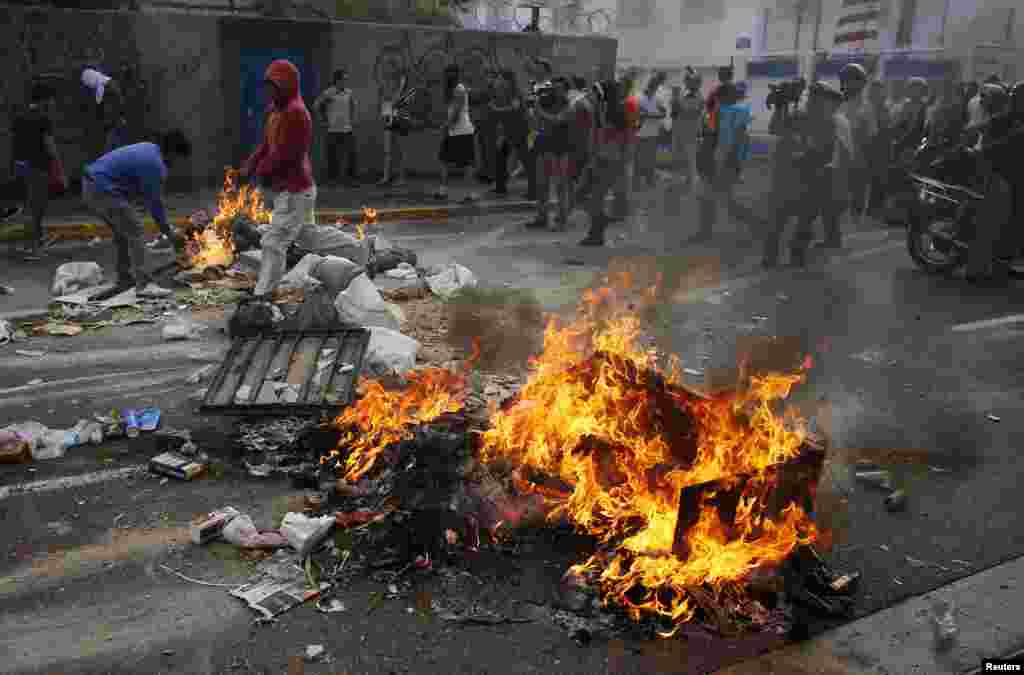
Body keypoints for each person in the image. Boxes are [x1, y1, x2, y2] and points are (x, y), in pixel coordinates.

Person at [81, 130, 191, 298]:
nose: (176, 166)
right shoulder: (155, 163)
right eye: (178, 160)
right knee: (135, 229)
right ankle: (144, 285)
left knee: (123, 233)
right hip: (102, 189)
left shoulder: (149, 148)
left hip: (91, 185)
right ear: (173, 153)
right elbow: (156, 204)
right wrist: (170, 234)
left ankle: (125, 279)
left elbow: (140, 190)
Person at [240, 59, 316, 300]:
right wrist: (248, 167)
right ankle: (359, 251)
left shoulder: (296, 114)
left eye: (274, 85)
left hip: (294, 190)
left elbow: (283, 156)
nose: (269, 91)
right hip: (293, 190)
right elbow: (266, 144)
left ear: (288, 85)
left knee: (273, 242)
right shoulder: (277, 109)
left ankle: (264, 295)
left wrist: (257, 176)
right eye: (268, 85)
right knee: (308, 237)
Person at [762, 83, 845, 268]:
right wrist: (780, 105)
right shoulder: (797, 115)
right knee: (777, 221)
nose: (813, 102)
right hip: (785, 179)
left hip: (809, 181)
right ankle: (770, 258)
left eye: (819, 99)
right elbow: (775, 128)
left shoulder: (829, 124)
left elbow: (820, 153)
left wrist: (801, 155)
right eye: (813, 97)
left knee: (803, 224)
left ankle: (796, 258)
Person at [579, 74, 640, 247]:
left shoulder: (618, 112)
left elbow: (627, 138)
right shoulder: (601, 111)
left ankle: (596, 233)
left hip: (611, 161)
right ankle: (600, 222)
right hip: (599, 159)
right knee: (582, 195)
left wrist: (623, 162)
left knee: (595, 198)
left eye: (596, 92)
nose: (593, 95)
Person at [692, 82, 752, 243]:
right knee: (710, 200)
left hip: (719, 163)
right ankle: (705, 233)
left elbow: (724, 142)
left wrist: (719, 165)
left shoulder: (723, 113)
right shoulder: (737, 113)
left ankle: (758, 225)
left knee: (724, 203)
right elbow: (740, 141)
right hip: (723, 162)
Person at [11, 81, 61, 261]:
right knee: (36, 208)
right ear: (44, 100)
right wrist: (59, 167)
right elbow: (50, 145)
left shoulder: (19, 116)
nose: (53, 103)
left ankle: (33, 243)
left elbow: (15, 143)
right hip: (38, 167)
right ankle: (33, 248)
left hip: (22, 166)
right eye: (51, 99)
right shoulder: (42, 118)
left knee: (30, 207)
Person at [527, 77, 574, 230]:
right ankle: (541, 217)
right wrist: (535, 112)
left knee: (561, 185)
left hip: (561, 148)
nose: (556, 91)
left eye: (559, 88)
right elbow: (536, 124)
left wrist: (539, 112)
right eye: (554, 88)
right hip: (544, 146)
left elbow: (558, 120)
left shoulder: (569, 104)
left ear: (566, 90)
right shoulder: (546, 102)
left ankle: (561, 220)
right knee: (542, 184)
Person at [491, 70, 533, 199]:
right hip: (508, 131)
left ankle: (534, 190)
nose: (498, 81)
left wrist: (496, 109)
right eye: (498, 78)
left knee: (526, 160)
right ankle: (500, 187)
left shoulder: (515, 93)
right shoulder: (500, 93)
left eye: (501, 78)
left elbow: (514, 108)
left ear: (508, 81)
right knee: (500, 157)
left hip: (520, 130)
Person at [436, 65, 476, 200]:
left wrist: (445, 126)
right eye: (447, 73)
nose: (449, 76)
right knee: (444, 160)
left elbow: (457, 112)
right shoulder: (452, 89)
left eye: (452, 73)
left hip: (462, 131)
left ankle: (469, 193)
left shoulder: (459, 88)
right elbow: (452, 111)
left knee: (466, 163)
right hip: (453, 131)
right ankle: (443, 190)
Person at [314, 68, 359, 186]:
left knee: (350, 155)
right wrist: (323, 120)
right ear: (337, 80)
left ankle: (351, 179)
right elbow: (316, 105)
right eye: (343, 79)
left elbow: (353, 106)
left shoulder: (349, 92)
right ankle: (332, 180)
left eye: (346, 79)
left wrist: (353, 120)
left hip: (347, 128)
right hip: (333, 129)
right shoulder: (329, 93)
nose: (345, 82)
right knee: (332, 156)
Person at [378, 70, 411, 187]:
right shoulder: (385, 89)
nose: (391, 81)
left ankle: (401, 177)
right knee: (388, 152)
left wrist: (401, 87)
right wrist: (383, 116)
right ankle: (386, 177)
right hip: (388, 119)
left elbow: (397, 102)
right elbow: (384, 103)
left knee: (400, 151)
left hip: (399, 120)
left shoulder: (406, 92)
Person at [636, 71, 668, 188]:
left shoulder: (657, 98)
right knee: (638, 160)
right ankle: (637, 182)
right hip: (640, 134)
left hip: (653, 134)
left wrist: (649, 115)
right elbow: (639, 114)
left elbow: (663, 113)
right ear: (649, 84)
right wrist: (654, 115)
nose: (654, 87)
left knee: (651, 160)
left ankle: (649, 181)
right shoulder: (639, 97)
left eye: (655, 85)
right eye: (652, 84)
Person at [672, 68, 704, 188]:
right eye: (687, 81)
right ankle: (681, 179)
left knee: (690, 157)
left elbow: (692, 112)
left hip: (690, 131)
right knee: (678, 155)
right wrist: (674, 101)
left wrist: (678, 105)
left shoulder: (698, 97)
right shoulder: (682, 94)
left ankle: (692, 181)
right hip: (679, 129)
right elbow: (675, 112)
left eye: (691, 81)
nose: (687, 83)